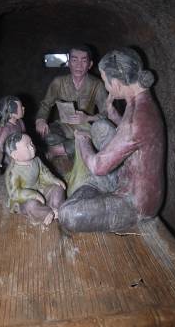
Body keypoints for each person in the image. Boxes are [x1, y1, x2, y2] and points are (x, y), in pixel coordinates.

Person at [58, 47, 165, 232]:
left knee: (68, 214)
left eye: (106, 81)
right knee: (100, 127)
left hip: (137, 203)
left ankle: (100, 195)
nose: (106, 86)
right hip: (123, 177)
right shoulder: (140, 100)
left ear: (115, 84)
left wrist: (83, 141)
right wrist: (113, 114)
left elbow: (98, 167)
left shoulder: (137, 119)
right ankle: (98, 190)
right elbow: (130, 135)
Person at [35, 46, 108, 157]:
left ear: (90, 65)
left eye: (84, 61)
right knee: (48, 136)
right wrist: (40, 120)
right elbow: (46, 104)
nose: (79, 65)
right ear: (69, 63)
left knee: (90, 142)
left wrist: (88, 118)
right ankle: (65, 149)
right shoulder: (58, 82)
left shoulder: (97, 85)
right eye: (74, 60)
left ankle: (59, 150)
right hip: (63, 126)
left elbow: (106, 113)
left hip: (86, 129)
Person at [4, 132, 66, 226]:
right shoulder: (13, 172)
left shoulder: (36, 160)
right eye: (27, 147)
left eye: (31, 143)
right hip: (24, 200)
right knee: (31, 205)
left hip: (40, 188)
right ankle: (46, 214)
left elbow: (44, 173)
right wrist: (33, 194)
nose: (32, 147)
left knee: (58, 188)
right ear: (14, 155)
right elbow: (14, 193)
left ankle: (56, 208)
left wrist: (53, 180)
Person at [0, 95, 26, 177]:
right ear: (12, 112)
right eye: (21, 107)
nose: (23, 108)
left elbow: (25, 136)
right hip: (12, 160)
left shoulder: (20, 122)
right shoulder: (4, 129)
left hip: (24, 153)